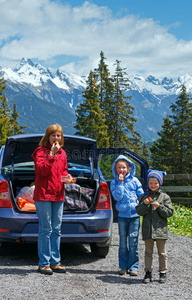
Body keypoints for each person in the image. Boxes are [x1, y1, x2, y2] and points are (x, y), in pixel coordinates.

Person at [32, 124, 72, 275]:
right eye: (54, 135)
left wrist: (67, 176)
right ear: (47, 136)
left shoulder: (62, 153)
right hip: (43, 195)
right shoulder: (40, 152)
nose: (56, 138)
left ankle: (55, 262)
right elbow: (42, 171)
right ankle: (44, 263)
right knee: (46, 229)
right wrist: (51, 154)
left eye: (59, 135)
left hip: (58, 194)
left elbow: (64, 170)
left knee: (56, 229)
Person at [136, 169, 174, 284]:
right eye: (151, 183)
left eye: (155, 183)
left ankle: (163, 272)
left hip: (160, 230)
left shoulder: (164, 197)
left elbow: (169, 212)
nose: (153, 185)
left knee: (162, 253)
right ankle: (148, 273)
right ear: (148, 183)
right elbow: (139, 211)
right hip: (148, 230)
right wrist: (144, 204)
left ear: (160, 183)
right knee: (148, 252)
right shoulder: (144, 197)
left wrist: (159, 206)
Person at [110, 155, 144, 276]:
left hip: (135, 216)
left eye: (124, 167)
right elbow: (117, 197)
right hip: (122, 216)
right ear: (115, 169)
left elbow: (141, 195)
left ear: (129, 168)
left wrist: (146, 200)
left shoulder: (135, 181)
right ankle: (123, 266)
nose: (121, 170)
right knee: (123, 242)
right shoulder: (114, 183)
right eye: (119, 167)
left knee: (133, 241)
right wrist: (120, 183)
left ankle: (134, 267)